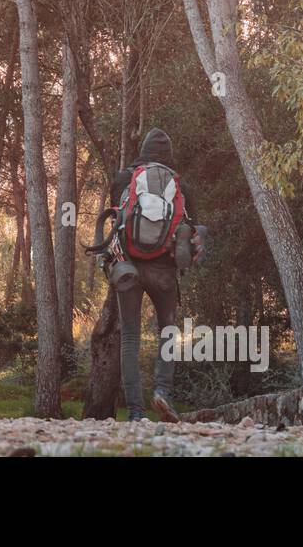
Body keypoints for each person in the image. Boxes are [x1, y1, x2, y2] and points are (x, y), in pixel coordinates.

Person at [105, 127, 202, 422]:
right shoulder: (180, 185)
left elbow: (114, 219)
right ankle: (162, 392)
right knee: (168, 332)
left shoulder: (124, 178)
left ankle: (135, 411)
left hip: (128, 270)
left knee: (131, 336)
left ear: (143, 150)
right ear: (168, 154)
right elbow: (190, 231)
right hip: (164, 273)